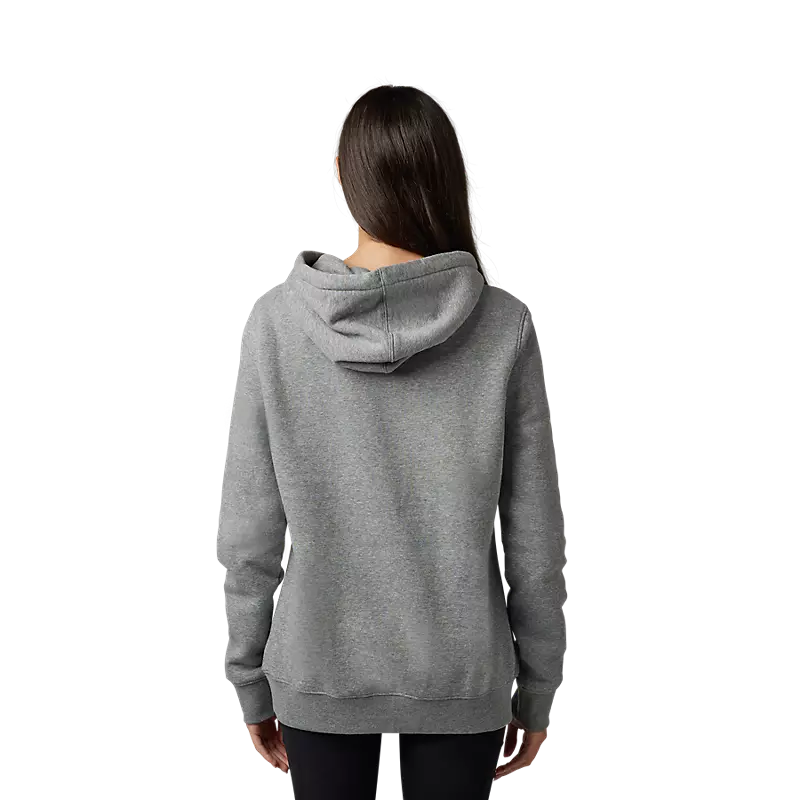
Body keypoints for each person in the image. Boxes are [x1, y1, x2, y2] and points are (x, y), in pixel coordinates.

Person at [216, 76, 569, 799]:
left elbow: (249, 532)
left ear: (342, 174)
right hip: (462, 672)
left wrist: (250, 678)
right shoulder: (502, 324)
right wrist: (538, 687)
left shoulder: (275, 324)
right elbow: (535, 540)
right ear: (446, 176)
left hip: (317, 666)